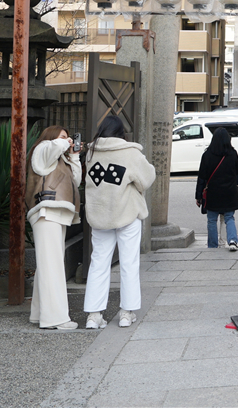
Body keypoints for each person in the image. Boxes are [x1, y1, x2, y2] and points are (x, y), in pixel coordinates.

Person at [82, 115, 156, 329]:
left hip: (99, 217)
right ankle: (126, 312)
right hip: (126, 213)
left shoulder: (91, 153)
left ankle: (93, 315)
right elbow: (147, 177)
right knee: (129, 263)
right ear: (121, 132)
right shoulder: (129, 152)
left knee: (98, 264)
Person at [25, 125, 81, 330]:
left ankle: (40, 314)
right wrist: (63, 142)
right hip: (46, 212)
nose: (68, 141)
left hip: (56, 213)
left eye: (69, 138)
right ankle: (55, 319)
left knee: (48, 266)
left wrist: (74, 157)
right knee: (53, 266)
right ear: (51, 137)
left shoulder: (60, 159)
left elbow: (76, 181)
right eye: (63, 136)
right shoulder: (42, 150)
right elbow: (51, 148)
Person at [195, 127, 238, 251]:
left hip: (213, 192)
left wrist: (198, 195)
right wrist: (237, 187)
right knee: (229, 218)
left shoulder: (207, 154)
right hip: (230, 192)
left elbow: (202, 177)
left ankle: (212, 245)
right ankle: (232, 240)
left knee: (211, 220)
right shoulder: (232, 154)